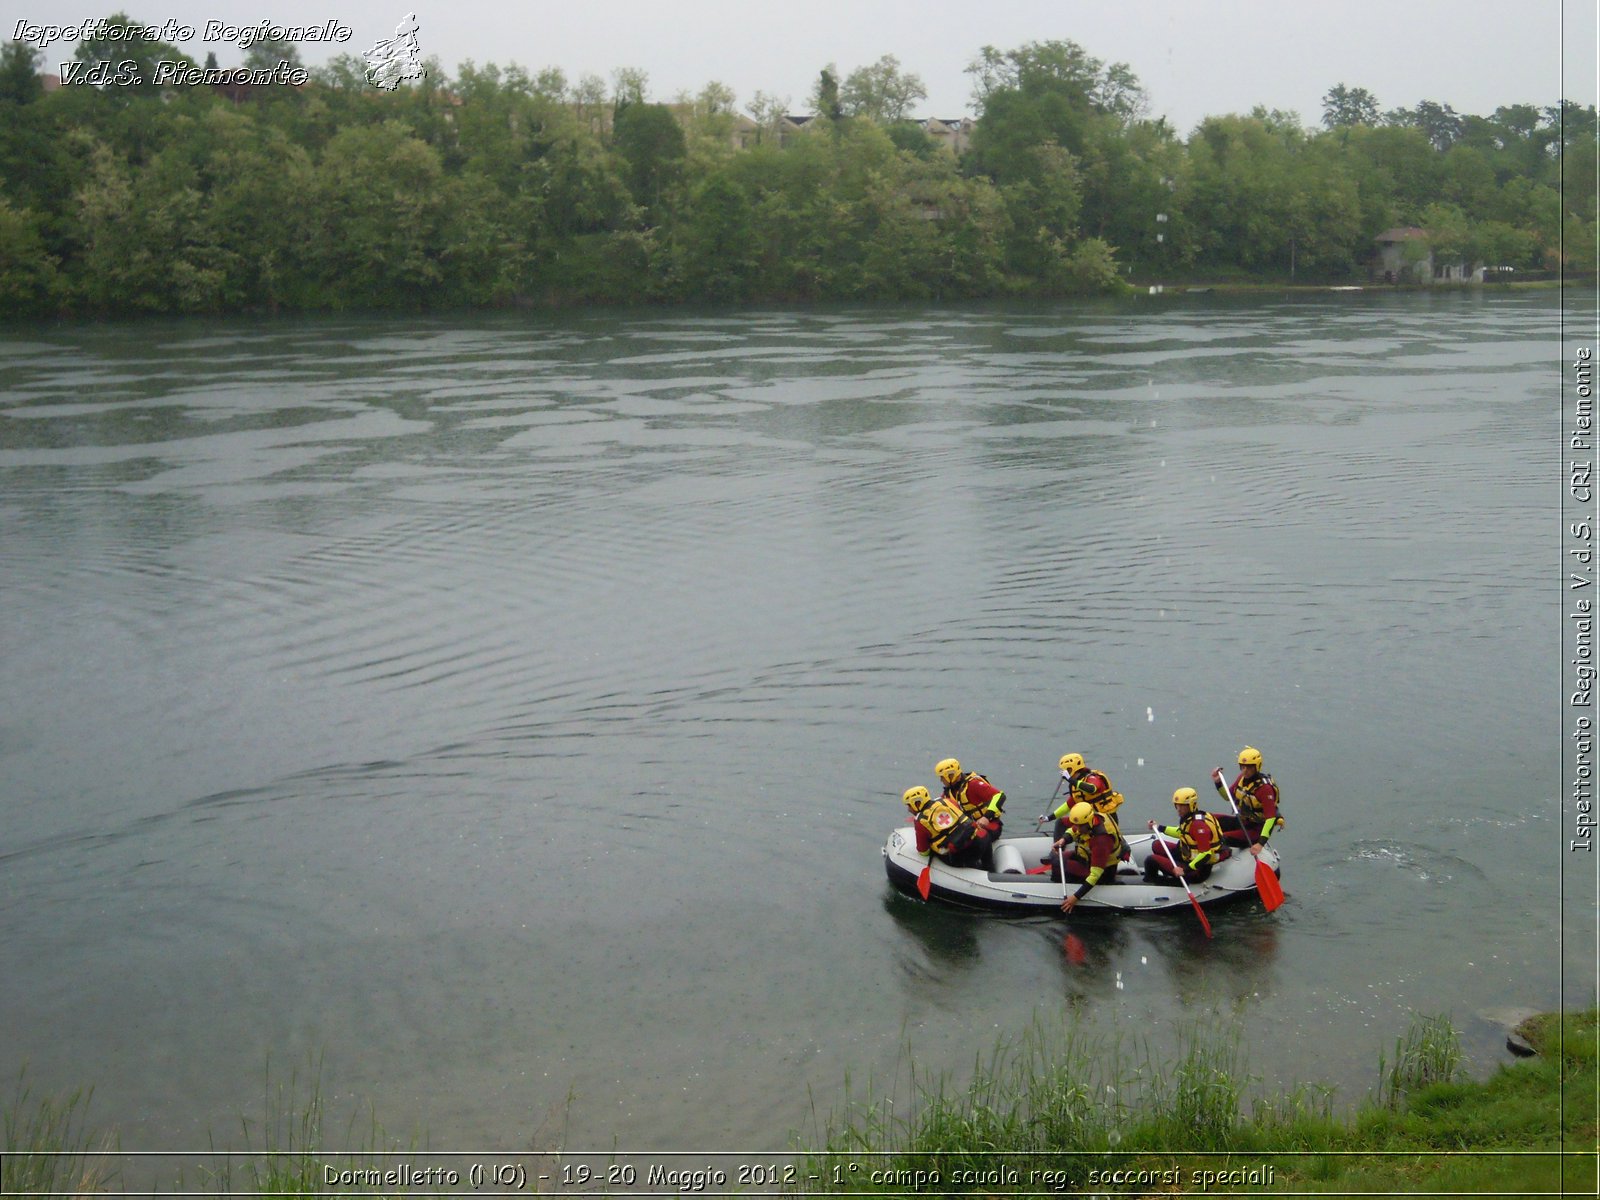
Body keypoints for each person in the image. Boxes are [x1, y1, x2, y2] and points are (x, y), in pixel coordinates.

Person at [1054, 801, 1130, 912]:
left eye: (1081, 826)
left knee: (1057, 864)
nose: (1078, 828)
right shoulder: (1091, 821)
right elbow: (1074, 830)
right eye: (1077, 825)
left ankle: (1067, 884)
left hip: (1103, 873)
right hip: (1086, 857)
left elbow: (1095, 875)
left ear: (1088, 821)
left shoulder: (1101, 839)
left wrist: (1075, 898)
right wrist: (1063, 839)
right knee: (1058, 858)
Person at [904, 785, 996, 870]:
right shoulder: (947, 801)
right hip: (982, 839)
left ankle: (975, 869)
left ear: (916, 803)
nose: (908, 809)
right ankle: (990, 868)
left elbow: (923, 851)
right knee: (987, 862)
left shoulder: (920, 821)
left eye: (909, 805)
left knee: (942, 850)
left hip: (961, 855)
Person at [1212, 746, 1283, 856]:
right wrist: (1218, 782)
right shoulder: (1242, 778)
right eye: (1242, 767)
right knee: (1210, 820)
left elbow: (1270, 819)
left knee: (1221, 838)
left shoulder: (1265, 789)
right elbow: (1228, 797)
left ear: (1257, 766)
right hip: (1242, 822)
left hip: (1255, 831)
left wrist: (1260, 844)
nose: (1245, 770)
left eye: (1249, 767)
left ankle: (1222, 855)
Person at [1145, 787, 1226, 883]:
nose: (1178, 809)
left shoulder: (1198, 825)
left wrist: (1185, 870)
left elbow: (1206, 854)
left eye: (1182, 806)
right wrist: (1159, 827)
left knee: (1150, 860)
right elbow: (1182, 833)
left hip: (1197, 869)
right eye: (1177, 806)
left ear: (1191, 805)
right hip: (1187, 857)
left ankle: (1154, 882)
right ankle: (1170, 871)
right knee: (1157, 845)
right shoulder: (1190, 818)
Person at [1041, 753, 1124, 844]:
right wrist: (1049, 818)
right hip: (1086, 820)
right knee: (1060, 823)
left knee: (1086, 833)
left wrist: (1070, 780)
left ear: (1073, 768)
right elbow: (1069, 804)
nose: (1064, 772)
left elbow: (1092, 789)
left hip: (1103, 820)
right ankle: (1057, 851)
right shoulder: (1075, 785)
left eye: (1067, 770)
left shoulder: (1092, 778)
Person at [936, 758, 1006, 836]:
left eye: (942, 777)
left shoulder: (973, 784)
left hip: (990, 824)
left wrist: (986, 817)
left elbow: (1000, 796)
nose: (941, 780)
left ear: (950, 775)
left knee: (970, 840)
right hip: (970, 827)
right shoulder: (949, 793)